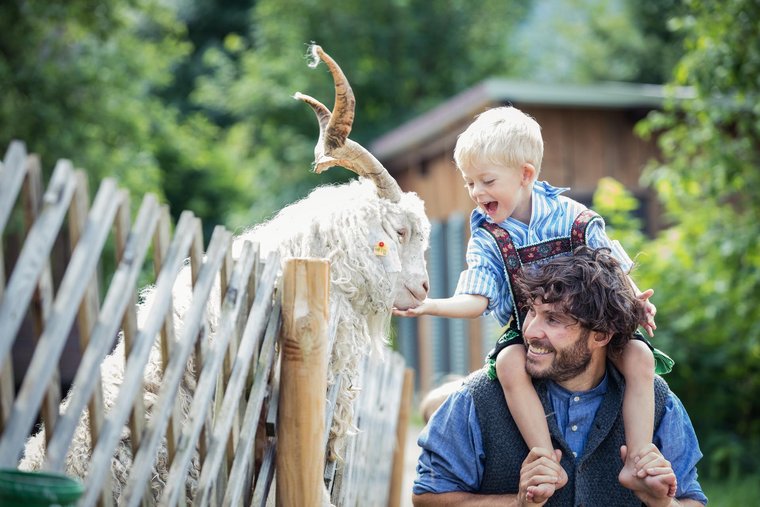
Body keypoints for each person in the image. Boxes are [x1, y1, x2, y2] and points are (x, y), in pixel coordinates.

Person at [395, 106, 673, 501]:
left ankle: (639, 456)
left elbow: (612, 265)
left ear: (526, 175)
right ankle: (545, 456)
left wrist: (635, 301)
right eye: (469, 182)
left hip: (585, 324)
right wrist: (428, 306)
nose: (476, 193)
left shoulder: (574, 217)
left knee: (640, 359)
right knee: (509, 363)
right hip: (527, 329)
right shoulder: (488, 237)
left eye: (487, 180)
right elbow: (476, 299)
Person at [412, 247, 707, 506]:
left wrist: (663, 504)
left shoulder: (657, 401)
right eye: (531, 312)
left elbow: (691, 500)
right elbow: (428, 498)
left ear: (601, 335)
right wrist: (517, 504)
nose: (529, 332)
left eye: (553, 319)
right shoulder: (478, 399)